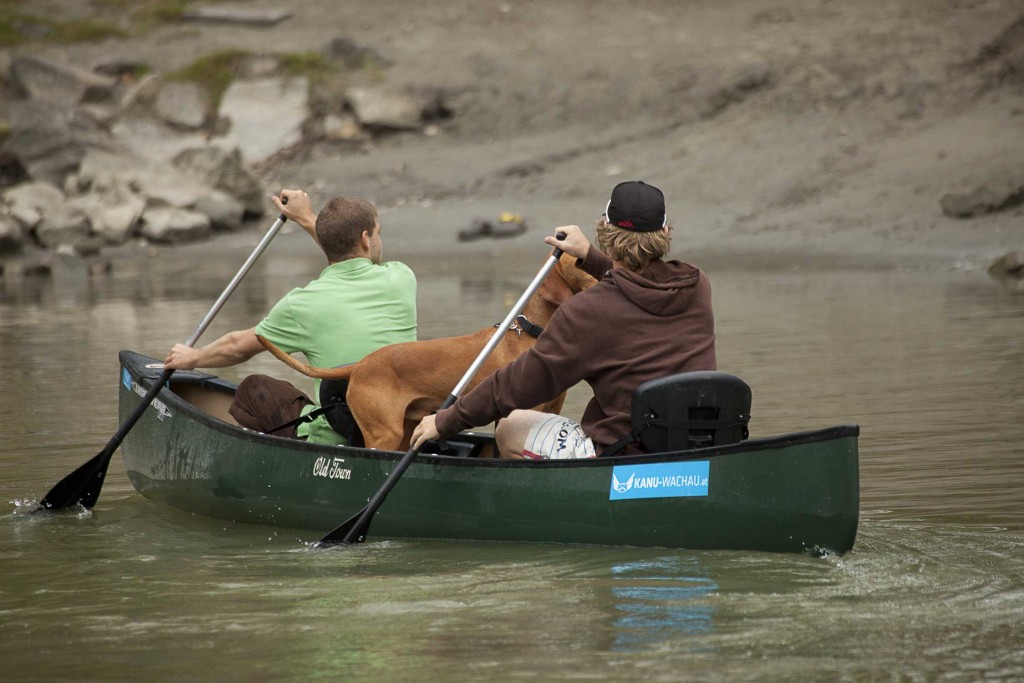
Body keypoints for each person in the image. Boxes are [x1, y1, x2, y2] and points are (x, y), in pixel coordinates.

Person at [411, 180, 715, 458]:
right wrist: (590, 257)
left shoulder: (587, 309)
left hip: (627, 454)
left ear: (603, 232)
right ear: (664, 233)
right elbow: (636, 284)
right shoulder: (696, 283)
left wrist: (447, 420)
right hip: (700, 444)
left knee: (510, 425)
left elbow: (518, 385)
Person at [164, 188, 417, 444]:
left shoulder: (301, 304)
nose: (380, 241)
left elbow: (238, 347)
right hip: (404, 430)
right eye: (379, 233)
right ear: (366, 239)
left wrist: (193, 357)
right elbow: (346, 251)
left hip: (340, 435)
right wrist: (306, 217)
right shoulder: (401, 278)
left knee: (253, 387)